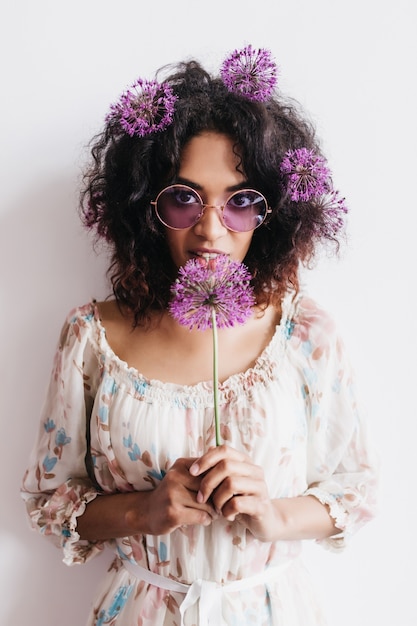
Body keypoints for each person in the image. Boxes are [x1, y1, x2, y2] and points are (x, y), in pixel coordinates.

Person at [21, 46, 378, 626]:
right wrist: (144, 512)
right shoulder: (92, 336)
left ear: (272, 217)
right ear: (144, 208)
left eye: (240, 202)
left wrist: (273, 515)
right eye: (184, 198)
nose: (211, 229)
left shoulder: (304, 332)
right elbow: (50, 501)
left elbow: (357, 489)